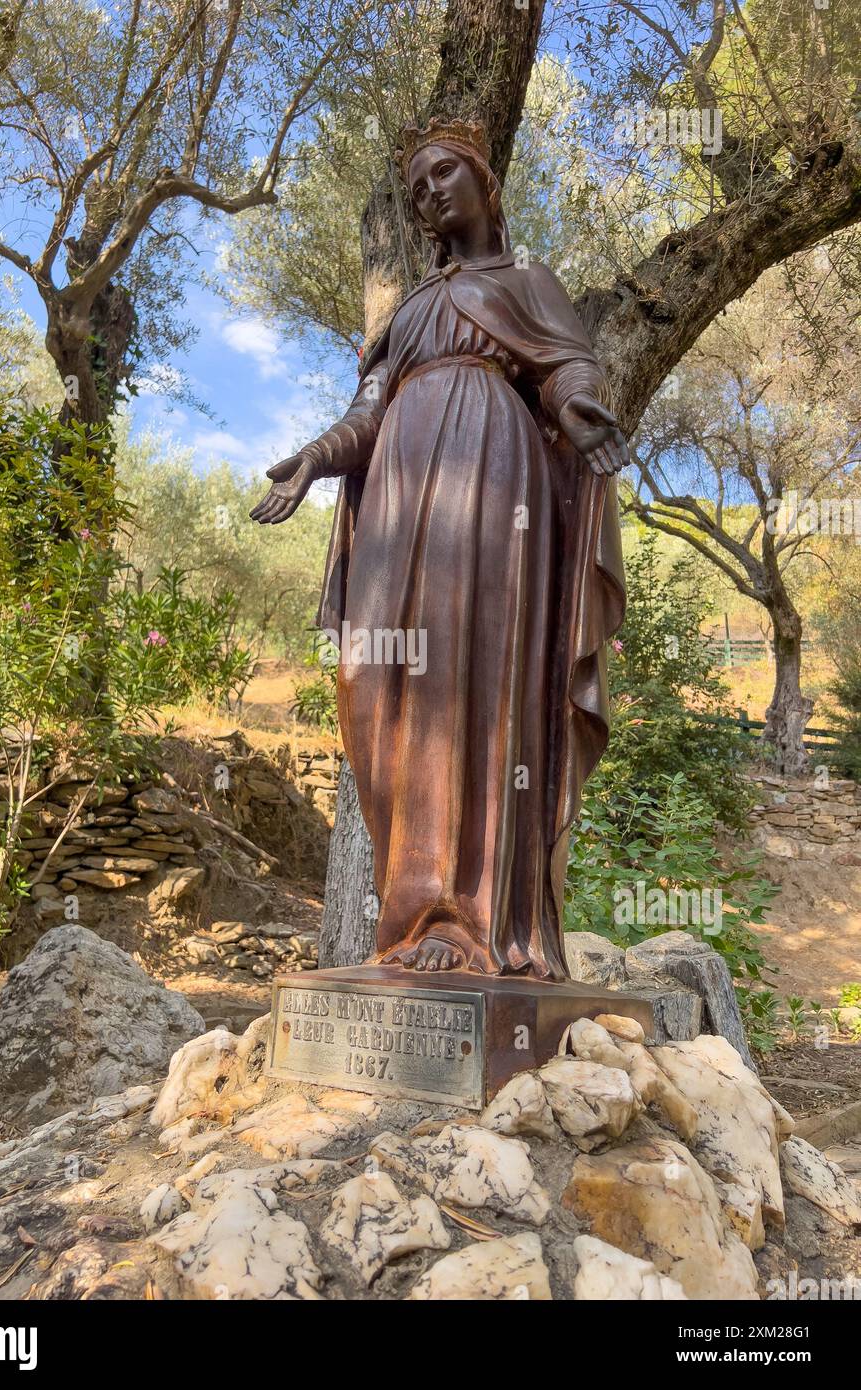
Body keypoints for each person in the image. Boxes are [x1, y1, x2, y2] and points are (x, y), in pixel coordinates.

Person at [251, 118, 629, 979]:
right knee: (378, 685)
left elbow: (568, 364)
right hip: (395, 493)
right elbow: (367, 413)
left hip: (493, 481)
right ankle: (413, 915)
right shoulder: (410, 311)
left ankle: (470, 922)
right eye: (416, 186)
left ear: (484, 182)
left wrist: (574, 405)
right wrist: (313, 460)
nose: (429, 193)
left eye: (444, 173)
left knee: (473, 675)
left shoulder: (526, 277)